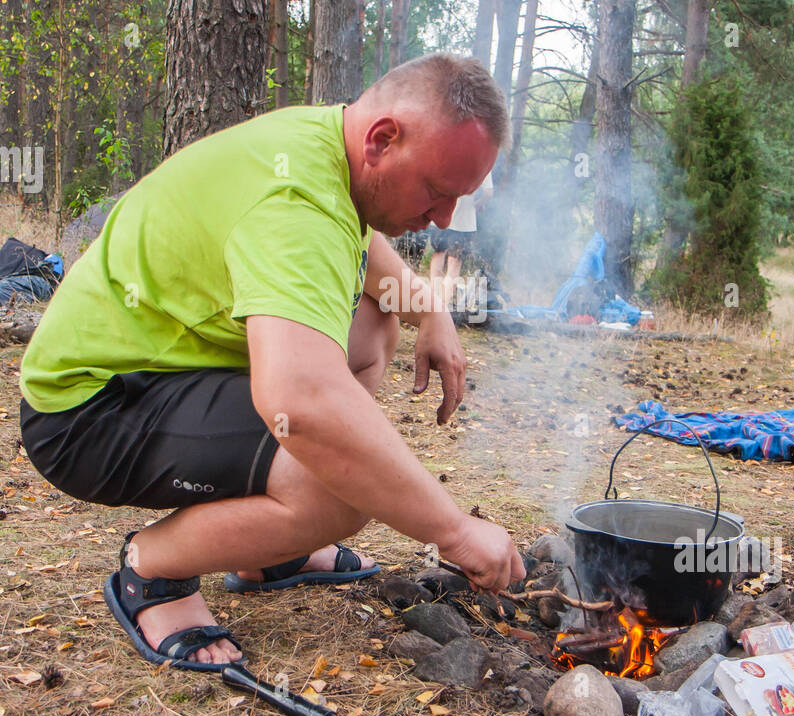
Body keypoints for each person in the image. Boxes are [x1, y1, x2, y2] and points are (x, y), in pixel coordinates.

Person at [18, 54, 524, 672]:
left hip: (169, 362)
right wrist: (455, 531)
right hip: (90, 407)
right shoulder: (295, 203)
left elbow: (365, 246)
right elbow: (302, 405)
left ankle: (273, 550)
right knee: (338, 489)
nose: (444, 219)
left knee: (375, 319)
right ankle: (152, 571)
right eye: (437, 191)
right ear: (382, 139)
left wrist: (430, 309)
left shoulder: (330, 147)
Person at [428, 171, 493, 309]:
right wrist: (479, 204)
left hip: (442, 216)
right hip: (464, 222)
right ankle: (442, 308)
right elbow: (488, 192)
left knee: (438, 255)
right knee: (454, 266)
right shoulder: (482, 159)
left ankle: (432, 302)